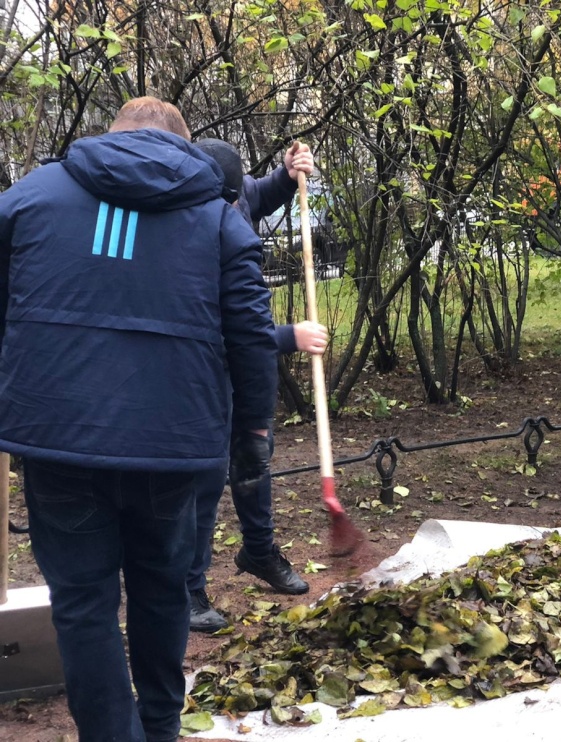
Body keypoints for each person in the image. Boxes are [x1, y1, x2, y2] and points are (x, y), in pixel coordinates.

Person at [0, 97, 277, 741]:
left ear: (112, 135)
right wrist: (253, 431)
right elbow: (252, 336)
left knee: (82, 605)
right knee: (163, 589)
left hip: (58, 440)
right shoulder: (218, 218)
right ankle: (160, 727)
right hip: (172, 447)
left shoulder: (29, 197)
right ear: (184, 144)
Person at [186, 138, 329, 633]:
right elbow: (219, 326)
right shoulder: (187, 228)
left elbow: (259, 193)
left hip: (251, 373)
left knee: (254, 461)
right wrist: (289, 336)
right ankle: (188, 586)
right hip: (205, 375)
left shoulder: (234, 192)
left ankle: (258, 551)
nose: (232, 209)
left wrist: (288, 175)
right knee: (204, 481)